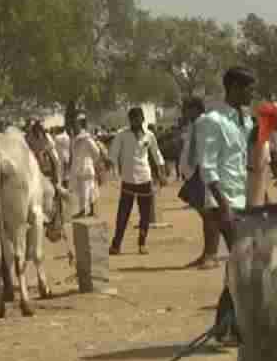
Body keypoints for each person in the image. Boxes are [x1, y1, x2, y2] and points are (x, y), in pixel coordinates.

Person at [199, 66, 256, 345]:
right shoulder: (212, 121)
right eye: (248, 88)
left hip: (242, 199)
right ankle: (226, 327)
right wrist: (224, 206)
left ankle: (225, 328)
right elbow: (208, 168)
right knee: (242, 260)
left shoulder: (243, 120)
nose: (252, 93)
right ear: (233, 87)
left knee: (240, 261)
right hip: (224, 202)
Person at [108, 107, 166, 255]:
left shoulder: (149, 135)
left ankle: (142, 243)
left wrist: (161, 173)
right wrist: (109, 166)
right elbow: (113, 153)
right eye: (132, 119)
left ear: (142, 119)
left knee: (145, 214)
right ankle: (116, 244)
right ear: (130, 120)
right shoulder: (122, 135)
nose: (135, 121)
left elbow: (157, 154)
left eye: (138, 118)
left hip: (145, 179)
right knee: (123, 214)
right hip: (128, 180)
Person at [178, 97, 219, 268]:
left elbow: (204, 151)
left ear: (195, 108)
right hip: (193, 175)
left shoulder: (205, 124)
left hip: (202, 174)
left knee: (210, 216)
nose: (183, 113)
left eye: (186, 109)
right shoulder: (194, 126)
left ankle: (212, 255)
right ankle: (206, 253)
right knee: (205, 217)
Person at [69, 114, 104, 218]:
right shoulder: (77, 138)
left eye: (77, 123)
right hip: (80, 168)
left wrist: (91, 161)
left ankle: (84, 211)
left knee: (87, 190)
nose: (75, 125)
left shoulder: (86, 138)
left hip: (86, 168)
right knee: (86, 190)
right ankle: (87, 210)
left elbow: (96, 152)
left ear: (81, 124)